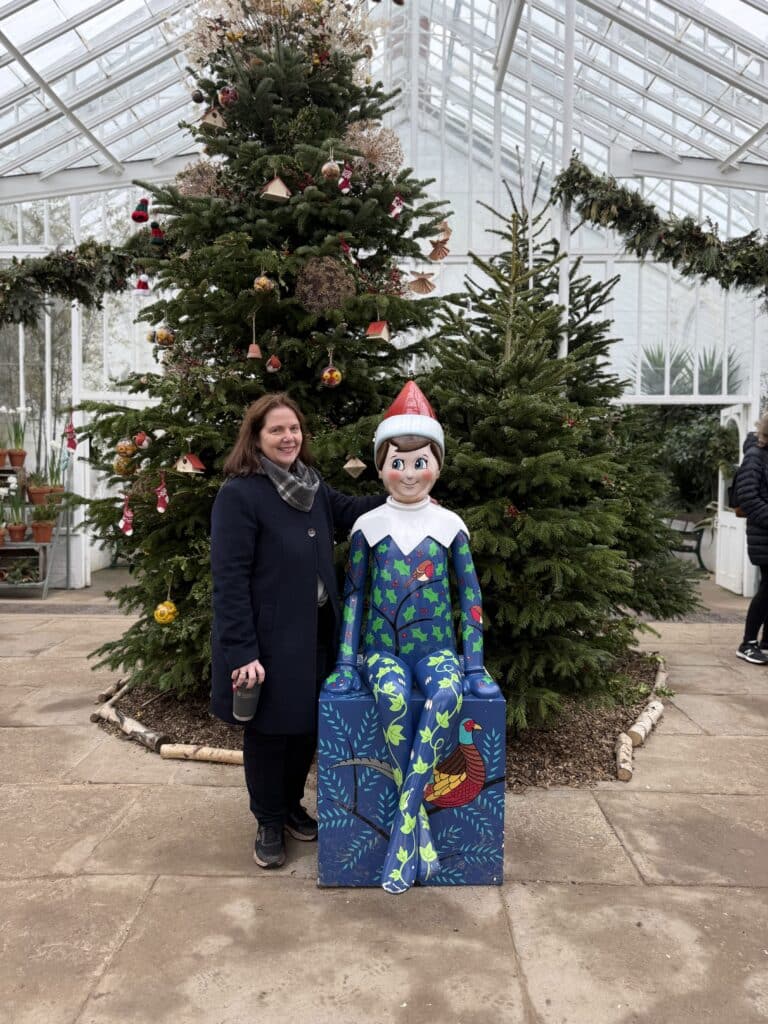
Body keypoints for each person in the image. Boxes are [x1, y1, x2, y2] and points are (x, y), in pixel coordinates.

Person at [323, 381, 500, 893]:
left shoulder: (449, 525)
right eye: (397, 463)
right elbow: (355, 597)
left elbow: (470, 597)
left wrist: (473, 664)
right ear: (381, 467)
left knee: (446, 694)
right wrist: (347, 662)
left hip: (437, 650)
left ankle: (404, 822)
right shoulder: (367, 527)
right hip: (382, 652)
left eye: (419, 462)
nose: (408, 473)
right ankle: (414, 823)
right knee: (393, 697)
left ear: (436, 466)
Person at [210, 393, 384, 868]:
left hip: (316, 634)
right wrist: (242, 652)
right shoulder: (240, 495)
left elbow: (353, 511)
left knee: (306, 728)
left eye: (294, 429)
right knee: (269, 732)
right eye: (277, 430)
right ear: (256, 437)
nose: (288, 437)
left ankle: (289, 806)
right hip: (267, 642)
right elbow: (229, 580)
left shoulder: (311, 486)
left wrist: (406, 493)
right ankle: (268, 820)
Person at [735, 412, 768, 665]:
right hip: (763, 535)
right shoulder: (756, 455)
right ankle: (747, 643)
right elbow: (747, 497)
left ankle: (766, 642)